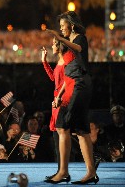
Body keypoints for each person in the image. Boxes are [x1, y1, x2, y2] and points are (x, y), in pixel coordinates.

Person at [45, 11, 98, 184]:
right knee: (81, 130)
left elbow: (79, 49)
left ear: (72, 25)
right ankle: (90, 172)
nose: (61, 29)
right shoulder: (68, 46)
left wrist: (59, 39)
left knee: (62, 125)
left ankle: (63, 172)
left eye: (62, 26)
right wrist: (60, 94)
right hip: (75, 85)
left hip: (80, 85)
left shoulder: (79, 39)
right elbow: (67, 74)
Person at [41, 37, 66, 178]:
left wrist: (59, 98)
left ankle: (62, 171)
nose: (52, 46)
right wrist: (44, 61)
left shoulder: (66, 63)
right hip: (56, 102)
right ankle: (60, 171)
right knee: (57, 138)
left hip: (62, 102)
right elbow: (53, 78)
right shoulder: (59, 62)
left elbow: (67, 82)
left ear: (60, 46)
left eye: (53, 44)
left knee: (62, 137)